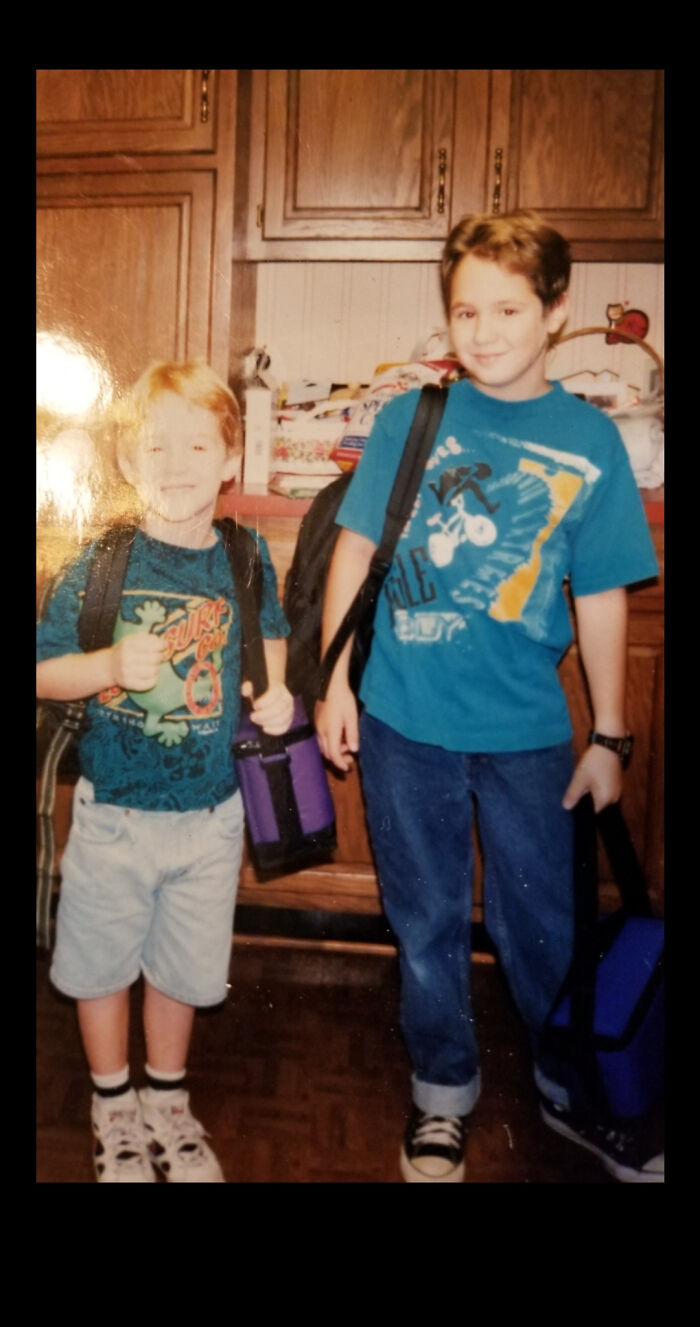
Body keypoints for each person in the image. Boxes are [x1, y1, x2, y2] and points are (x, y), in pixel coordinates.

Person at [315, 210, 662, 1184]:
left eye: (507, 307)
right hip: (402, 722)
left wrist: (613, 736)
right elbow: (354, 549)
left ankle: (566, 1082)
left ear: (555, 310)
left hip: (526, 733)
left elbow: (598, 597)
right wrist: (335, 682)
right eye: (465, 309)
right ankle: (442, 1090)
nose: (483, 330)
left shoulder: (590, 440)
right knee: (423, 920)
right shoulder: (410, 418)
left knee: (542, 921)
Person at [36, 361, 293, 1182]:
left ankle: (169, 1105)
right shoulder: (97, 561)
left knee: (182, 970)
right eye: (155, 446)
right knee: (101, 965)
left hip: (212, 818)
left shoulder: (247, 558)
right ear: (125, 462)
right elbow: (45, 672)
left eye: (197, 443)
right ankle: (113, 1105)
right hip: (113, 814)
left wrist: (279, 695)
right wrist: (109, 659)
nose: (176, 463)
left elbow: (270, 649)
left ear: (230, 458)